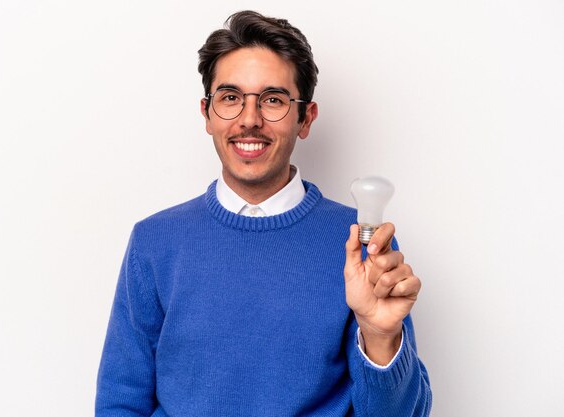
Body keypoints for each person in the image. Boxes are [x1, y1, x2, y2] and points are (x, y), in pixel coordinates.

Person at [96, 10, 432, 417]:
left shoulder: (362, 247)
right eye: (230, 98)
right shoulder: (154, 242)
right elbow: (119, 404)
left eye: (273, 100)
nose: (249, 120)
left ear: (305, 118)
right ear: (207, 114)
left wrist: (380, 337)